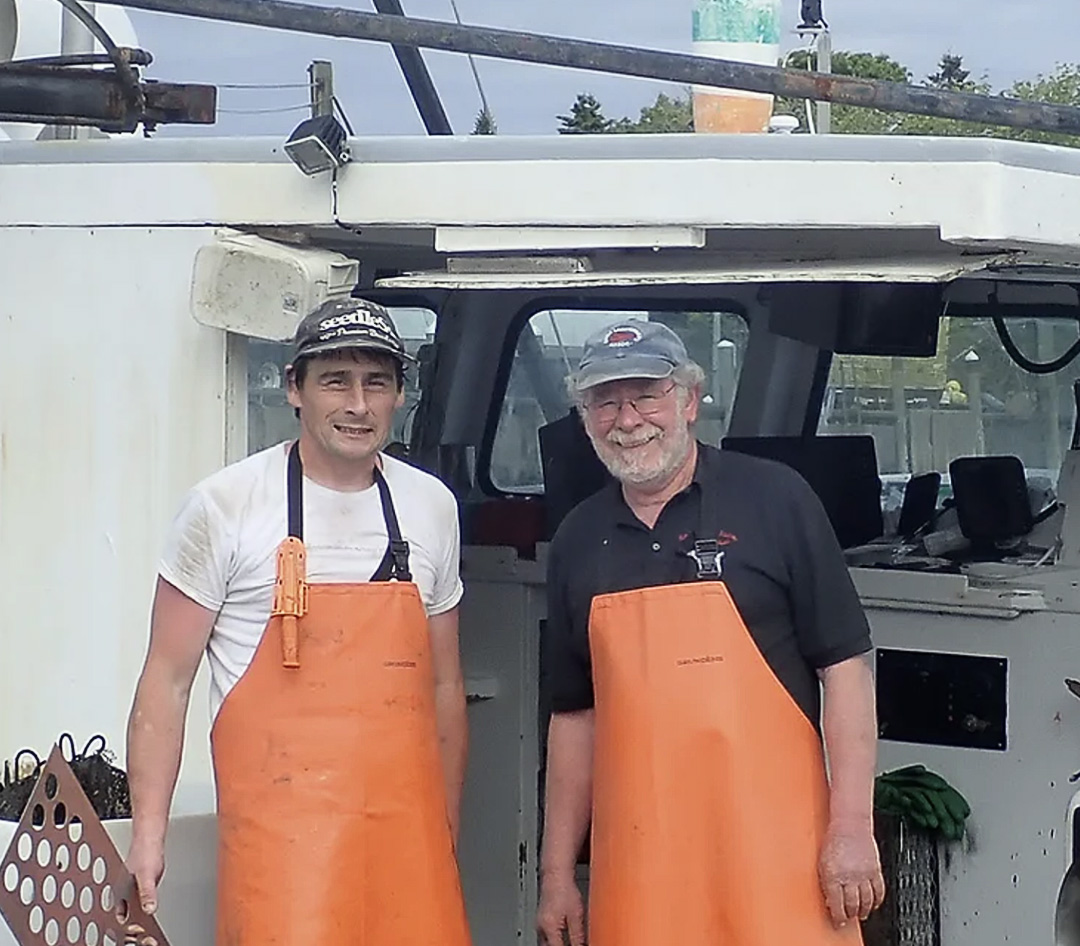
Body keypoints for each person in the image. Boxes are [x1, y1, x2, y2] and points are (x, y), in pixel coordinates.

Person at [123, 297, 472, 946]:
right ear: (294, 389)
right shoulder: (223, 506)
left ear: (400, 394)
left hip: (407, 849)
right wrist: (149, 838)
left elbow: (447, 687)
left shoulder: (432, 508)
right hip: (280, 852)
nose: (358, 405)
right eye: (335, 380)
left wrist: (442, 830)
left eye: (377, 382)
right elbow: (166, 683)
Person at [536, 320, 885, 946]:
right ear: (584, 418)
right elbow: (574, 718)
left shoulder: (777, 499)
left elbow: (847, 668)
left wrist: (852, 828)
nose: (627, 419)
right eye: (605, 401)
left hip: (781, 861)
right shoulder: (575, 541)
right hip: (643, 875)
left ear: (690, 401)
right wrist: (557, 874)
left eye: (647, 394)